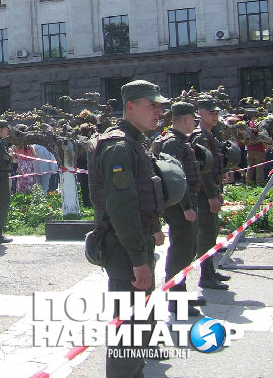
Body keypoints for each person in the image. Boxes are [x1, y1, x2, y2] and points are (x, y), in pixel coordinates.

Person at [87, 80, 168, 378]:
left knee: (141, 327)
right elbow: (121, 210)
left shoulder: (135, 142)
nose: (159, 111)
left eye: (160, 105)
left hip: (135, 244)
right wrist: (138, 260)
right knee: (130, 333)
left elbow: (142, 196)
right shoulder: (119, 146)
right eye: (152, 105)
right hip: (124, 250)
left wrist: (154, 229)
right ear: (130, 107)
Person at [153, 102, 205, 316]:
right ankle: (176, 299)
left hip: (184, 202)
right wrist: (186, 206)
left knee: (187, 249)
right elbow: (175, 177)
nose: (195, 123)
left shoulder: (179, 140)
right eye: (194, 119)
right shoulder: (173, 142)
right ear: (185, 119)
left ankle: (180, 293)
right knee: (181, 251)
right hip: (179, 205)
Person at [191, 96, 230, 290]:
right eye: (211, 113)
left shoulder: (210, 134)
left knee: (212, 231)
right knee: (206, 233)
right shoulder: (201, 136)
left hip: (212, 189)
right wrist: (212, 195)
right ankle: (205, 276)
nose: (215, 116)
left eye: (216, 113)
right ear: (200, 113)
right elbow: (202, 171)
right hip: (204, 194)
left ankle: (211, 271)